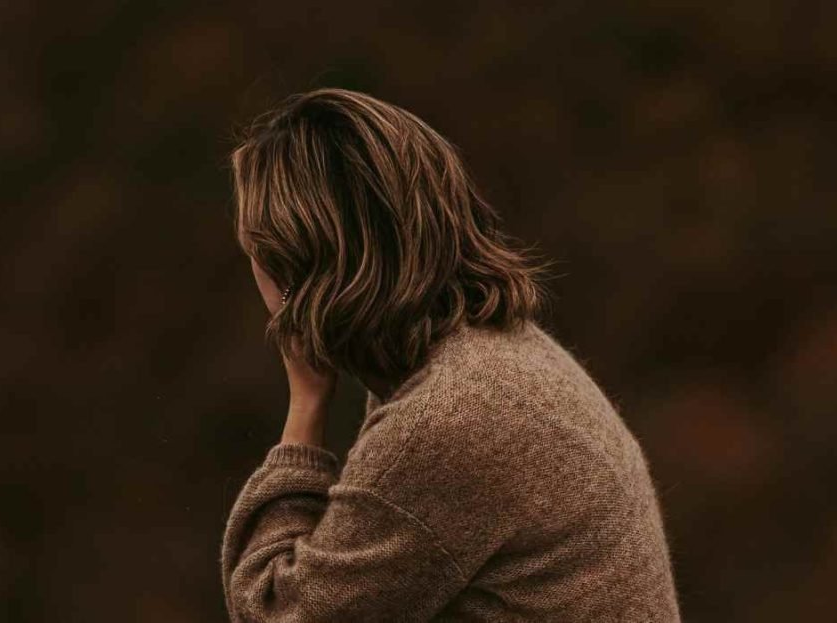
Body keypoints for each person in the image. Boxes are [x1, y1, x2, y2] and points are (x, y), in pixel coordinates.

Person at [221, 87, 682, 622]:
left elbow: (276, 611)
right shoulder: (503, 356)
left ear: (291, 267)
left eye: (255, 249)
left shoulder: (447, 420)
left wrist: (305, 409)